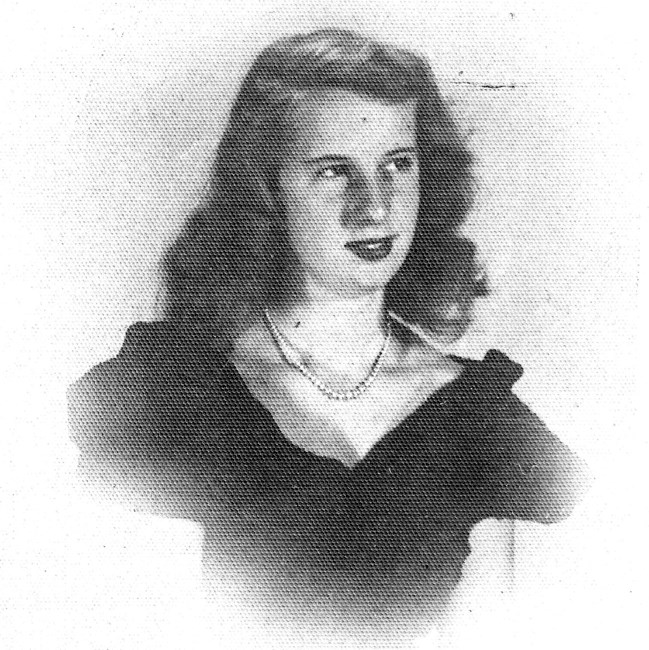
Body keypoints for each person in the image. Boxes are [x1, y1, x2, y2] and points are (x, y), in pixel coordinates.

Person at [68, 29, 590, 647]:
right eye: (334, 171)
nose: (375, 207)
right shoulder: (170, 393)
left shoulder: (477, 416)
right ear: (267, 189)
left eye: (398, 164)